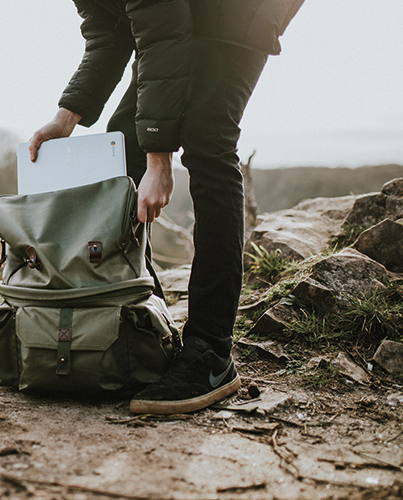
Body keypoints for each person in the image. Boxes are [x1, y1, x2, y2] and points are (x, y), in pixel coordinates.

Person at [28, 0, 304, 414]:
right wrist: (67, 116)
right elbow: (110, 34)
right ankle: (142, 321)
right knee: (123, 138)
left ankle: (211, 353)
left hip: (239, 11)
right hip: (177, 17)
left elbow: (162, 33)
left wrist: (159, 160)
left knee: (208, 141)